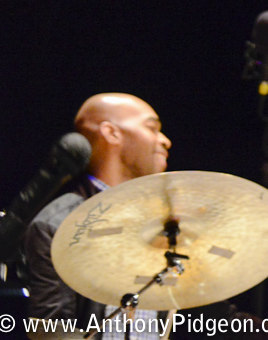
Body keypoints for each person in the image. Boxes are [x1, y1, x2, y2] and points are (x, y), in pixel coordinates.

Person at [24, 93, 172, 338]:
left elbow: (217, 319)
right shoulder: (59, 225)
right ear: (111, 133)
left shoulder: (173, 220)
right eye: (152, 128)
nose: (165, 141)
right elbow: (52, 332)